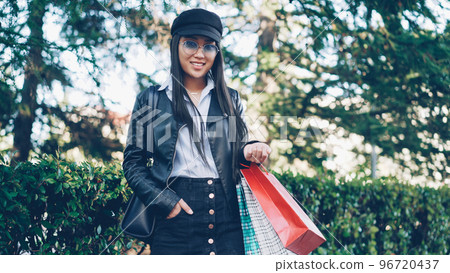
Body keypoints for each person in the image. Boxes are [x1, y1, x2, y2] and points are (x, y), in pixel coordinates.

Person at [122, 8, 271, 255]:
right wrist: (165, 201)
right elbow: (133, 164)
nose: (200, 54)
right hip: (174, 218)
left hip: (228, 217)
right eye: (191, 44)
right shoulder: (151, 100)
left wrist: (251, 148)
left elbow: (235, 153)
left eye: (209, 46)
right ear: (175, 45)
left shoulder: (230, 98)